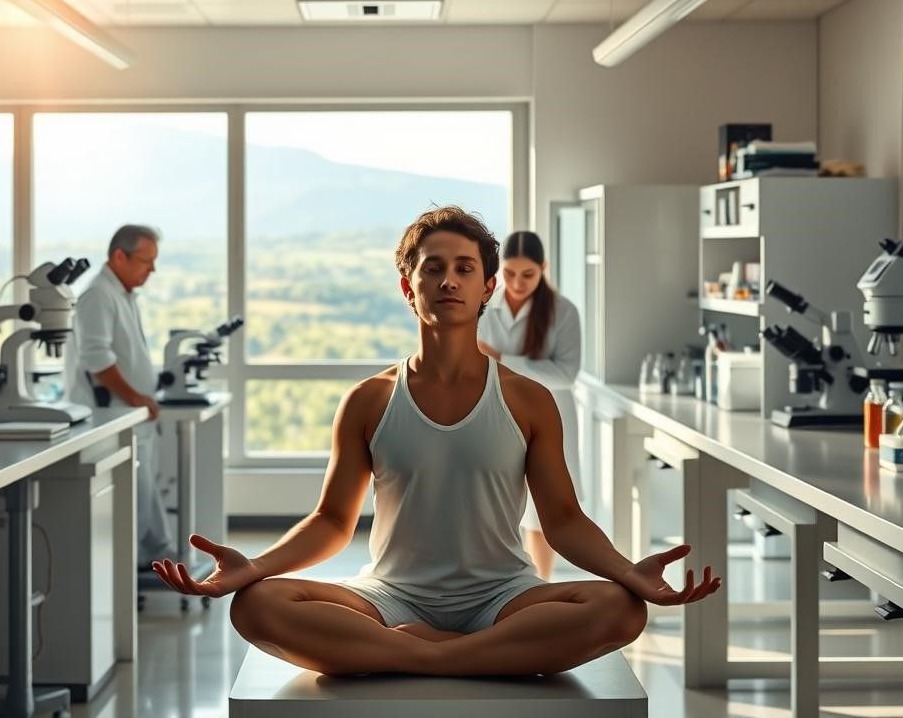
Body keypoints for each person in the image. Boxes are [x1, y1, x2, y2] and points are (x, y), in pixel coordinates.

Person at [152, 207, 720, 677]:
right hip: (389, 597)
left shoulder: (528, 401)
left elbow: (565, 520)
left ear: (486, 288)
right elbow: (331, 522)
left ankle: (419, 656)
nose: (449, 280)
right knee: (258, 605)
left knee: (620, 610)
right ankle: (471, 660)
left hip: (504, 595)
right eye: (433, 268)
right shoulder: (368, 400)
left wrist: (627, 571)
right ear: (409, 286)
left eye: (465, 268)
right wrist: (252, 568)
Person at [64, 224, 172, 563]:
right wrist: (136, 396)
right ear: (119, 256)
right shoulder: (98, 295)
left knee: (144, 496)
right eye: (146, 261)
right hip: (113, 414)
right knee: (133, 500)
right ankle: (144, 566)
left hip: (131, 415)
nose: (151, 270)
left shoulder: (121, 293)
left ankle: (156, 558)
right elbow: (97, 359)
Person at [477, 231, 581, 581]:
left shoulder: (563, 312)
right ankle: (505, 584)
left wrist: (501, 359)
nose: (517, 283)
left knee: (544, 504)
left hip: (552, 412)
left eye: (528, 275)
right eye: (508, 274)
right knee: (497, 496)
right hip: (495, 411)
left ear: (543, 269)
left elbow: (566, 374)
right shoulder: (485, 308)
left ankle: (542, 584)